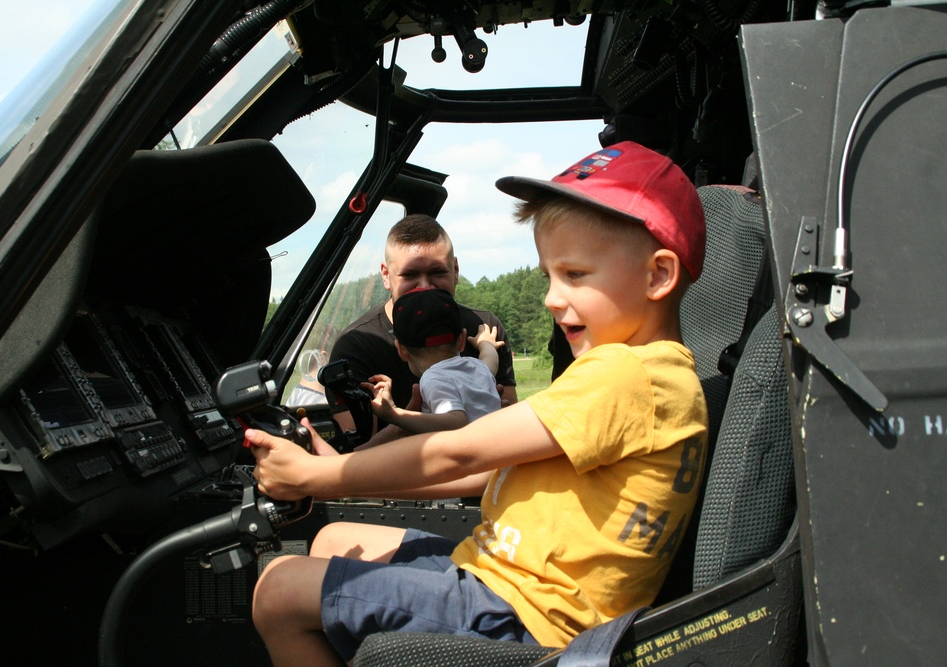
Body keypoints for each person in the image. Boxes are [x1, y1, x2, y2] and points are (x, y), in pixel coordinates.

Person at [247, 141, 710, 667]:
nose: (552, 299)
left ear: (658, 276)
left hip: (526, 614)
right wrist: (344, 469)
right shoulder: (647, 377)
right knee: (333, 535)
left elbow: (460, 452)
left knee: (278, 591)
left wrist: (313, 479)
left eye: (575, 275)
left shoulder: (624, 376)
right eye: (548, 277)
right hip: (507, 581)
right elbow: (486, 472)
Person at [326, 214, 517, 438]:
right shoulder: (356, 346)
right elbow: (358, 449)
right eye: (410, 274)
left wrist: (396, 415)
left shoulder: (485, 325)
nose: (425, 286)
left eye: (437, 272)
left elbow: (509, 417)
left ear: (455, 270)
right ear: (386, 276)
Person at [362, 287, 503, 446]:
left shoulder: (433, 379)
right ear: (462, 339)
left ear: (401, 350)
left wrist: (394, 413)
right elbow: (490, 357)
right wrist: (485, 342)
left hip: (474, 464)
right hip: (499, 454)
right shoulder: (478, 366)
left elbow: (455, 422)